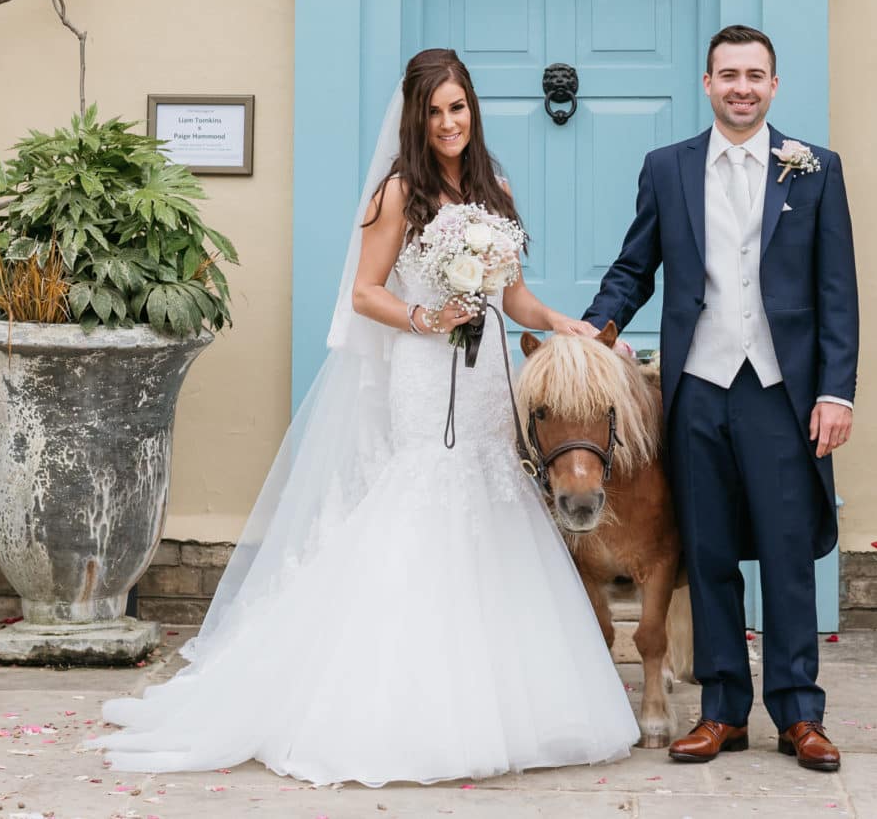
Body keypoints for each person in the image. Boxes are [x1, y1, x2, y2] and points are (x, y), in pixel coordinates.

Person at [99, 47, 639, 786]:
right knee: (423, 500)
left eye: (458, 107)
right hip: (425, 369)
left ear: (472, 109)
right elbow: (364, 293)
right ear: (415, 118)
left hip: (486, 375)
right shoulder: (398, 194)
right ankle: (410, 706)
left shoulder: (496, 189)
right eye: (434, 111)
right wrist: (426, 316)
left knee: (493, 498)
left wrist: (561, 322)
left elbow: (513, 299)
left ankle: (507, 701)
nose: (448, 122)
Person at [583, 24, 859, 774]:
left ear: (774, 86)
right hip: (698, 390)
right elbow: (634, 267)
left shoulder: (815, 170)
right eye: (728, 74)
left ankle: (800, 714)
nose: (742, 86)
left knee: (786, 553)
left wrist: (837, 391)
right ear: (707, 84)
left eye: (755, 75)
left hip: (781, 392)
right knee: (706, 554)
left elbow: (837, 293)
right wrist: (594, 331)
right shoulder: (667, 169)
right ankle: (723, 713)